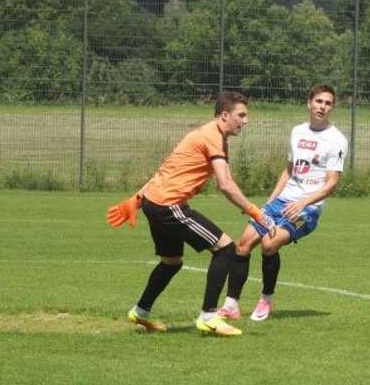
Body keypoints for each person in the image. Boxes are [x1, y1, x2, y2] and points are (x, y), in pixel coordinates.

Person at [106, 91, 275, 337]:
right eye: (241, 115)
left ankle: (140, 311)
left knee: (171, 262)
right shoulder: (212, 137)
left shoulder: (207, 134)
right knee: (226, 249)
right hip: (169, 205)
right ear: (224, 116)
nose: (245, 121)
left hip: (155, 202)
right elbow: (226, 184)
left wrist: (138, 199)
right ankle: (208, 317)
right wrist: (256, 212)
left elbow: (167, 169)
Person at [218, 83, 348, 322]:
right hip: (281, 202)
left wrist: (303, 203)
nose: (322, 107)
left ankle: (266, 299)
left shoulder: (336, 139)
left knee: (269, 245)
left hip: (306, 209)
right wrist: (268, 203)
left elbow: (332, 183)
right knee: (243, 244)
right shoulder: (297, 132)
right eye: (319, 101)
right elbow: (289, 170)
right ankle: (231, 306)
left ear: (333, 107)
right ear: (309, 103)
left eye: (328, 103)